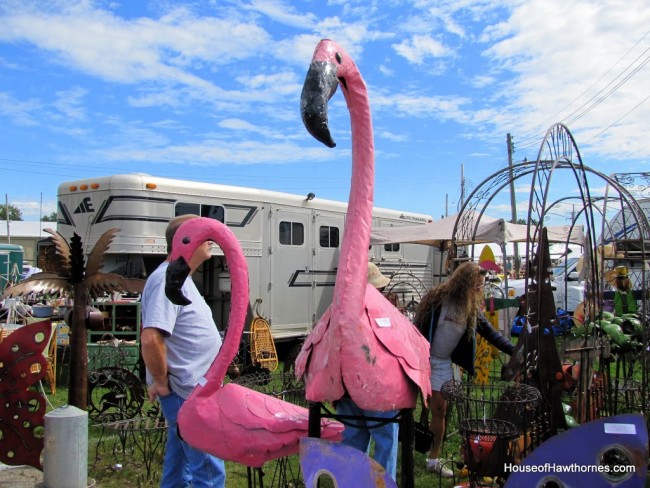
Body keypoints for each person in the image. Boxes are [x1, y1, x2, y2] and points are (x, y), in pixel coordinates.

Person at [141, 214, 226, 488]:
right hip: (186, 393)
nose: (210, 240)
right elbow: (151, 338)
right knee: (209, 474)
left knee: (180, 470)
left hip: (191, 391)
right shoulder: (167, 280)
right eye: (205, 235)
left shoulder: (180, 279)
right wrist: (162, 383)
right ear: (187, 240)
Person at [414, 261, 515, 478]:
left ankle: (433, 458)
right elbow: (417, 325)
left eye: (480, 286)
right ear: (463, 284)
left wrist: (515, 350)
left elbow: (491, 334)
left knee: (440, 410)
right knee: (406, 404)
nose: (479, 290)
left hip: (441, 362)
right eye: (476, 286)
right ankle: (404, 443)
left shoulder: (470, 309)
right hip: (420, 357)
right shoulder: (437, 299)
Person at [334, 262, 399, 480]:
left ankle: (350, 483)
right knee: (384, 446)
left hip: (346, 392)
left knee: (351, 446)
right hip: (379, 393)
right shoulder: (382, 315)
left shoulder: (339, 314)